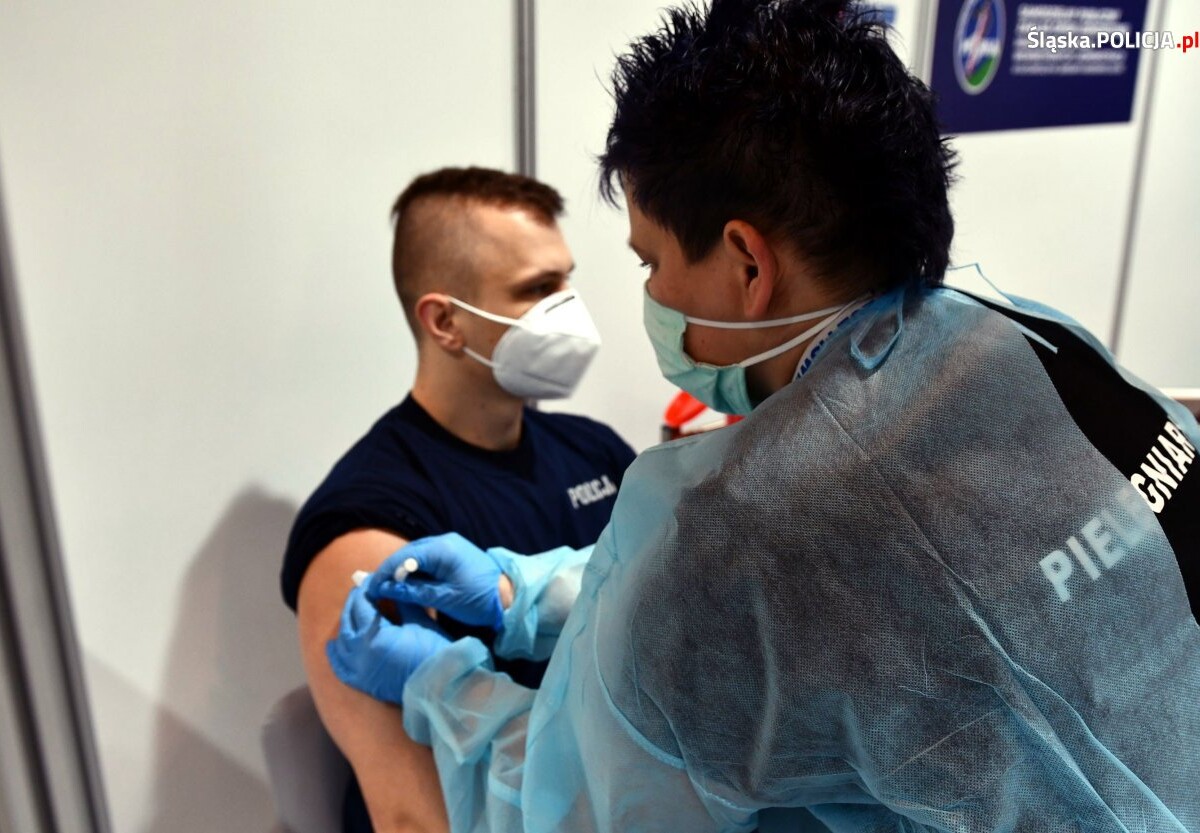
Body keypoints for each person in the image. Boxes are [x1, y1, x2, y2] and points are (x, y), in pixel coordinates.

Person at [326, 2, 1200, 830]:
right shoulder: (1022, 340)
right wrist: (523, 596)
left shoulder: (751, 532)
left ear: (747, 263)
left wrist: (444, 687)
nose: (651, 294)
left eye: (650, 261)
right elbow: (850, 590)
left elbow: (578, 803)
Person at [281, 167, 636, 833]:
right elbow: (413, 819)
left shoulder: (596, 451)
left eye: (566, 280)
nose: (571, 310)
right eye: (538, 289)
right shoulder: (367, 522)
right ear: (445, 321)